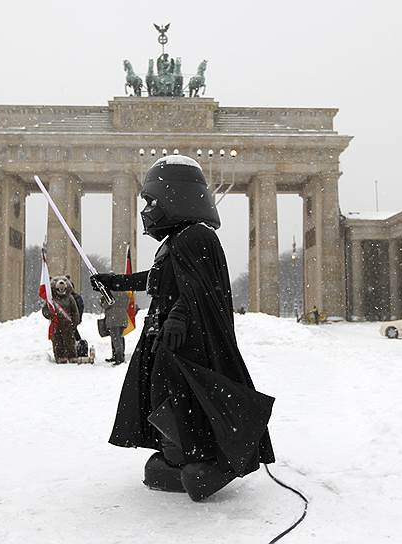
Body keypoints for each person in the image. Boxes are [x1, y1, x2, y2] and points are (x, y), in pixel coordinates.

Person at [92, 155, 274, 502]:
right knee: (162, 394)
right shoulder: (175, 242)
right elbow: (161, 280)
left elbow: (200, 288)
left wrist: (179, 315)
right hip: (166, 335)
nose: (148, 209)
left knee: (179, 395)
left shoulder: (196, 237)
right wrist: (116, 281)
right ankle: (179, 454)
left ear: (173, 195)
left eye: (152, 201)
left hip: (186, 340)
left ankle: (201, 455)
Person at [102, 291, 128, 365]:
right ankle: (118, 355)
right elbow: (126, 304)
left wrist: (102, 301)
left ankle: (119, 358)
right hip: (122, 318)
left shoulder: (109, 293)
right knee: (120, 337)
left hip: (113, 319)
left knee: (115, 338)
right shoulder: (124, 293)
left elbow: (105, 305)